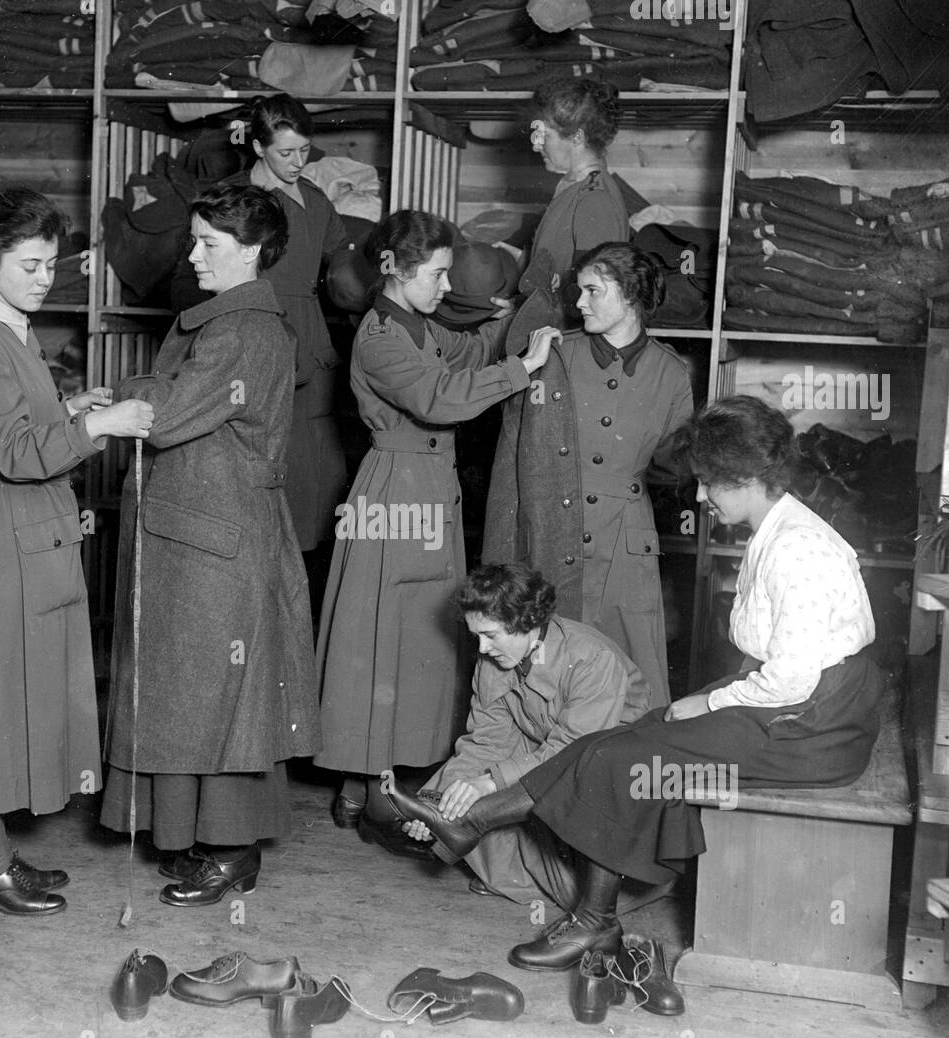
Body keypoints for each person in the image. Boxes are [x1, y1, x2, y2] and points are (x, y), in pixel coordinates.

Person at [384, 396, 882, 976]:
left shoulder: (795, 547)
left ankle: (584, 913)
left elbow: (791, 679)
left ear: (746, 478)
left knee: (620, 758)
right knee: (622, 743)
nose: (699, 496)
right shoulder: (777, 528)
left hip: (814, 725)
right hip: (797, 703)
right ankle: (491, 837)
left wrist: (711, 699)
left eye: (707, 483)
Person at [0, 188, 153, 916]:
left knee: (19, 698)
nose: (44, 277)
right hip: (0, 535)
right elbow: (16, 454)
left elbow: (20, 424)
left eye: (51, 263)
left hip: (33, 530)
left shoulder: (13, 330)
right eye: (27, 264)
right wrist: (103, 423)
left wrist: (70, 409)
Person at [313, 208, 560, 855]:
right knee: (377, 642)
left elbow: (466, 354)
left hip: (427, 491)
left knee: (414, 642)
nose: (447, 287)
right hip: (395, 494)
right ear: (395, 270)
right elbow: (438, 398)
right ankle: (367, 788)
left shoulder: (415, 324)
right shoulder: (378, 335)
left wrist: (509, 324)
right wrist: (521, 370)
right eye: (438, 273)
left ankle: (372, 781)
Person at [100, 184, 320, 908]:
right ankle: (209, 843)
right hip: (203, 532)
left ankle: (232, 853)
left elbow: (164, 418)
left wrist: (114, 393)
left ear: (253, 252)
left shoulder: (241, 331)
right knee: (201, 697)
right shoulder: (229, 320)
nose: (191, 256)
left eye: (208, 244)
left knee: (222, 699)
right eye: (193, 240)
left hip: (212, 539)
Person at [484, 242, 693, 707]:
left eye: (593, 291)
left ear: (632, 294)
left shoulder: (671, 372)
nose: (579, 303)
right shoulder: (556, 356)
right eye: (579, 290)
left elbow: (674, 465)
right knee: (548, 673)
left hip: (626, 544)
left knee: (630, 675)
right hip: (556, 529)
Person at [405, 563, 649, 906]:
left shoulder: (591, 659)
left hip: (608, 765)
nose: (483, 649)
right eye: (476, 636)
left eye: (490, 635)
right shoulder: (495, 659)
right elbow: (486, 743)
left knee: (575, 895)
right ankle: (512, 869)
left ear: (528, 622)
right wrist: (436, 802)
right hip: (545, 750)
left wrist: (490, 782)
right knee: (465, 789)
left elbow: (573, 751)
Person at [222, 95, 355, 580]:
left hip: (312, 338)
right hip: (255, 332)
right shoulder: (234, 200)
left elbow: (341, 260)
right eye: (286, 153)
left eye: (305, 151)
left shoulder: (316, 200)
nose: (299, 163)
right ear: (258, 146)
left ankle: (301, 585)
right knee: (257, 458)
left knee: (313, 472)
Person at [509, 77, 629, 350]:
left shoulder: (594, 200)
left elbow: (593, 303)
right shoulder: (571, 187)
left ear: (577, 137)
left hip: (569, 349)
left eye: (545, 135)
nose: (536, 144)